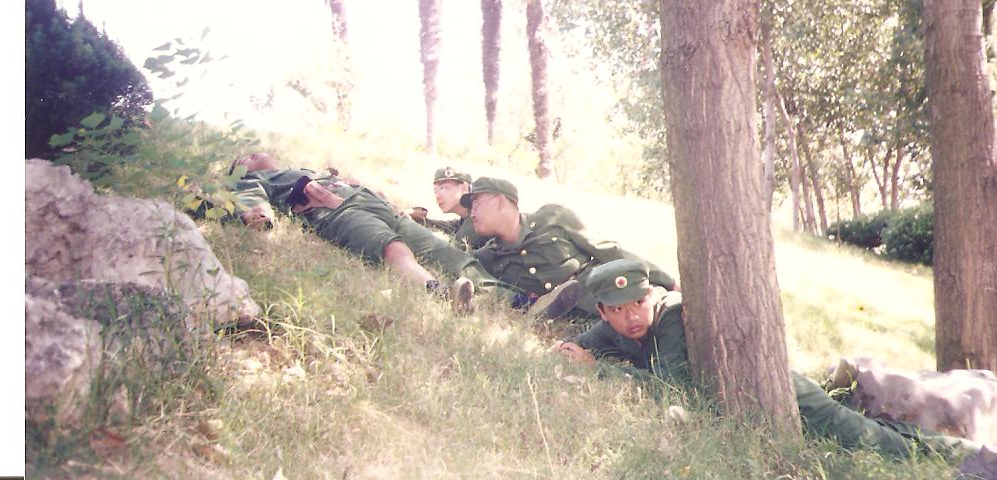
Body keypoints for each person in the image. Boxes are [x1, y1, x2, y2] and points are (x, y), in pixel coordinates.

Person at [551, 258, 988, 461]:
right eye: (619, 310)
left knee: (865, 439)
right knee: (865, 434)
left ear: (651, 295)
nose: (631, 317)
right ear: (602, 312)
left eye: (638, 303)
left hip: (781, 392)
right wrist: (570, 355)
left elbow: (673, 386)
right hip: (748, 403)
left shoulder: (670, 316)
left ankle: (973, 458)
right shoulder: (615, 328)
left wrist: (599, 371)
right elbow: (576, 346)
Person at [228, 153, 579, 319]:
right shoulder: (260, 179)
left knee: (450, 255)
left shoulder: (303, 167)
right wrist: (257, 213)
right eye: (245, 157)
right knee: (391, 248)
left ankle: (520, 302)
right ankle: (438, 292)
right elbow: (249, 196)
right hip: (332, 212)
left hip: (372, 204)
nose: (254, 154)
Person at [462, 177, 679, 316]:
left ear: (500, 201)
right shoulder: (488, 256)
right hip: (591, 321)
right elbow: (460, 263)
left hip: (619, 295)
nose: (472, 213)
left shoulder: (551, 217)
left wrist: (667, 281)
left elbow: (609, 251)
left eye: (476, 203)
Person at [411, 167, 491, 251]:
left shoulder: (479, 218)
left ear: (464, 187)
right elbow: (452, 226)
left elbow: (452, 251)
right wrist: (423, 220)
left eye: (443, 188)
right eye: (435, 191)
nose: (438, 196)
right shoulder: (469, 216)